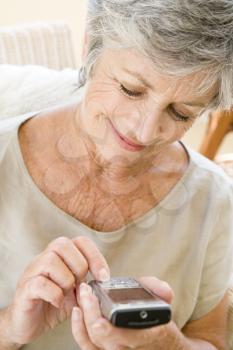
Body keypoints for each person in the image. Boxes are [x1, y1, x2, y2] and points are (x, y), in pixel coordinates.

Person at [0, 0, 233, 349]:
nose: (144, 130)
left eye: (181, 113)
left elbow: (210, 339)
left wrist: (167, 345)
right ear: (90, 42)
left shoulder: (214, 200)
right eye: (130, 89)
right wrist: (9, 329)